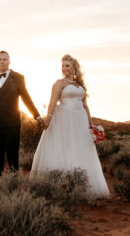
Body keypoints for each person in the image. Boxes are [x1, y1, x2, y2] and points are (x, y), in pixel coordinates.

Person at [30, 54, 110, 198]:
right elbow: (52, 103)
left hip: (80, 120)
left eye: (67, 65)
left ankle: (83, 185)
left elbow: (85, 106)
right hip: (64, 119)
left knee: (81, 149)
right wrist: (48, 119)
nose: (64, 68)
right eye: (62, 66)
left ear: (74, 67)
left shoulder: (80, 85)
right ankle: (62, 185)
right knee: (65, 148)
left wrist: (91, 126)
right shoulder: (59, 83)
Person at [0, 50, 43, 176]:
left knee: (12, 154)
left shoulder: (18, 78)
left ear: (9, 61)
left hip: (11, 123)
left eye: (5, 59)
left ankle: (13, 181)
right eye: (0, 59)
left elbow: (26, 98)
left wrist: (36, 115)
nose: (2, 61)